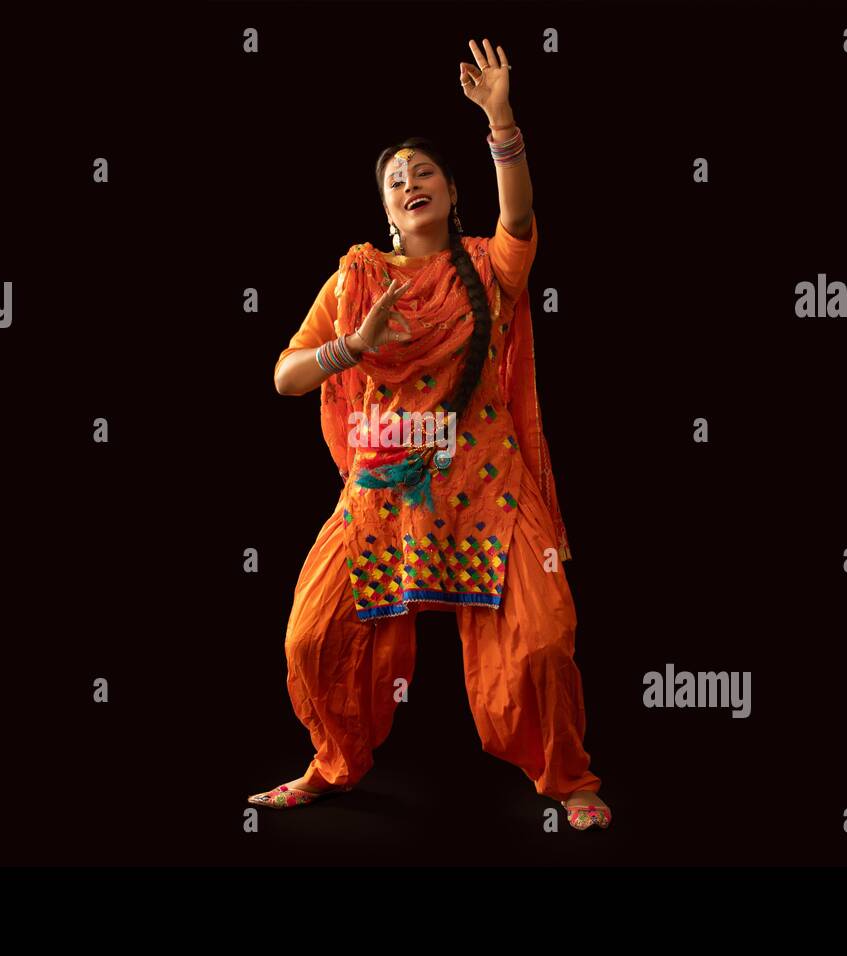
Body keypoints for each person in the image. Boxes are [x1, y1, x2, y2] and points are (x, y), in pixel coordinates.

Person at [251, 39, 609, 831]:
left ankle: (567, 777)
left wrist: (500, 118)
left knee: (544, 642)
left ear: (451, 192)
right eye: (395, 179)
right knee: (311, 640)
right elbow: (285, 376)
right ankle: (332, 765)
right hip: (384, 497)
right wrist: (354, 345)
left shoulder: (489, 266)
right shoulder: (355, 278)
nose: (410, 184)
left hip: (488, 489)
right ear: (385, 206)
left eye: (424, 174)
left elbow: (519, 216)